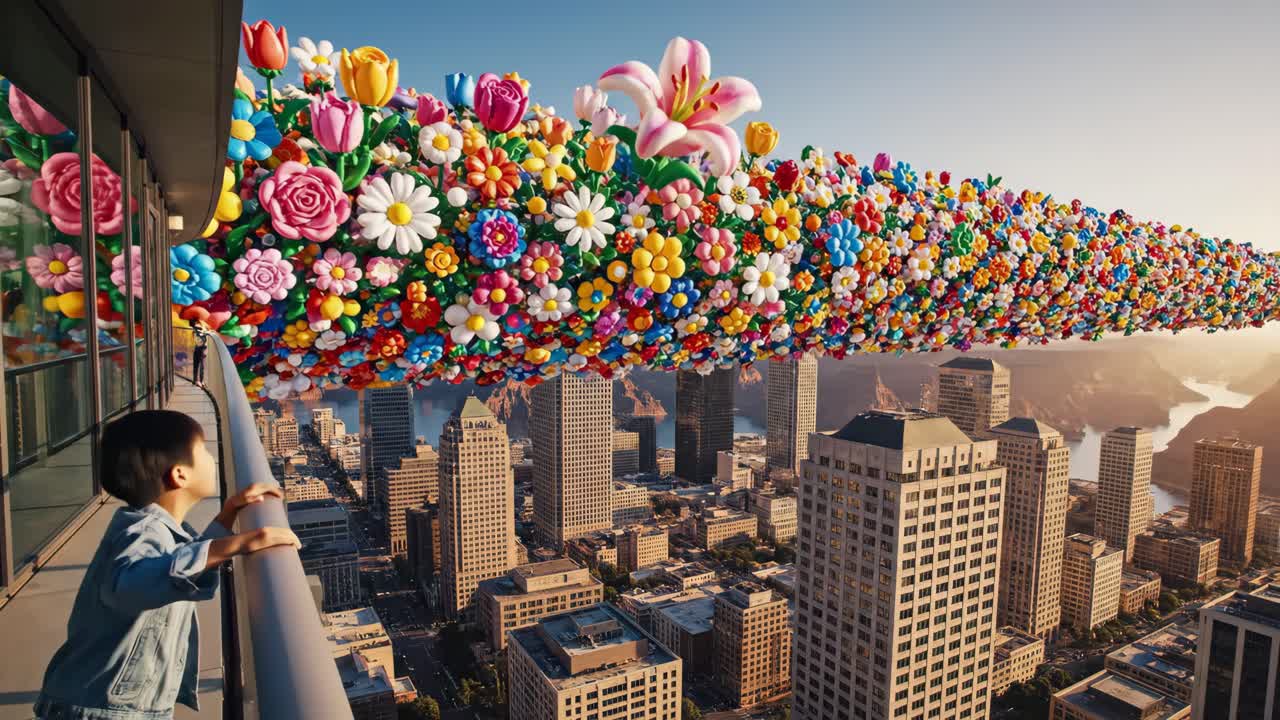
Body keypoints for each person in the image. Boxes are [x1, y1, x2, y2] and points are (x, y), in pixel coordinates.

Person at [34, 410, 301, 719]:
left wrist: (229, 515)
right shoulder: (141, 532)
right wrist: (236, 544)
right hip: (101, 711)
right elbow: (131, 585)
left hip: (106, 703)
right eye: (203, 452)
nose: (212, 458)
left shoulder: (150, 527)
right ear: (179, 475)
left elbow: (174, 561)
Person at [191, 321, 209, 388]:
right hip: (201, 347)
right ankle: (199, 381)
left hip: (200, 347)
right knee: (201, 365)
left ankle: (197, 380)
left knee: (199, 365)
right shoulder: (201, 325)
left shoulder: (199, 326)